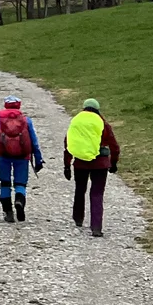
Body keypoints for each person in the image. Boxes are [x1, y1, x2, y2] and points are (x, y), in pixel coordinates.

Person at [64, 98, 121, 237]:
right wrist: (113, 163)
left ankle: (78, 218)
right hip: (100, 164)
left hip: (80, 163)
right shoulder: (103, 124)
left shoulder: (77, 122)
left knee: (80, 190)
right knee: (97, 194)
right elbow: (115, 146)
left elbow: (68, 144)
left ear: (84, 108)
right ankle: (96, 227)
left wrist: (67, 165)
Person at [0, 94, 44, 223]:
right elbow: (34, 141)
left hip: (3, 155)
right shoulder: (26, 120)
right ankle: (19, 201)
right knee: (20, 183)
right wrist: (38, 158)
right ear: (19, 105)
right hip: (22, 156)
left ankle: (8, 212)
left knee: (5, 183)